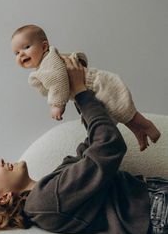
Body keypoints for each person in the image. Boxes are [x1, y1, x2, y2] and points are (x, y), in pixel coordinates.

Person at [0, 56, 168, 234]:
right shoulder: (45, 202)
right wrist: (80, 93)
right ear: (4, 198)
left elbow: (92, 146)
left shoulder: (48, 188)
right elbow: (109, 146)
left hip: (154, 200)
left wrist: (77, 90)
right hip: (155, 209)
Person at [11, 24, 160, 151]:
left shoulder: (49, 62)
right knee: (115, 115)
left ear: (44, 46)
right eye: (16, 53)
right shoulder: (46, 64)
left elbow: (58, 80)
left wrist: (57, 104)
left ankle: (147, 125)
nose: (21, 54)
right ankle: (138, 132)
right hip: (90, 89)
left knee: (121, 109)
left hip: (97, 84)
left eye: (26, 47)